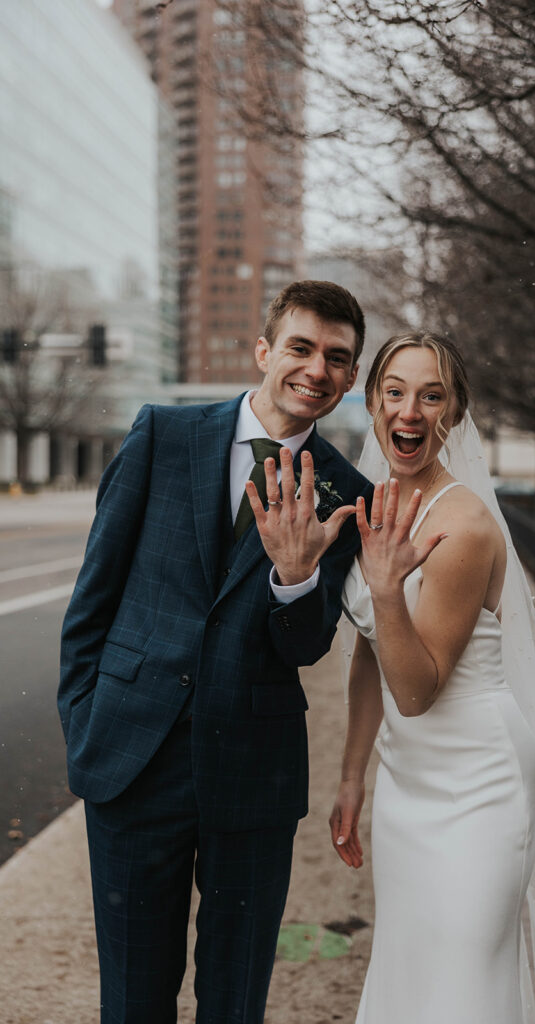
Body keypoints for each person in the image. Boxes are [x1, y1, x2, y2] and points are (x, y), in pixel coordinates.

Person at [58, 280, 373, 1024]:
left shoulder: (345, 491)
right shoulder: (163, 435)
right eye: (300, 347)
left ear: (350, 377)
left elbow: (307, 645)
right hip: (132, 758)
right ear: (265, 351)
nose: (316, 369)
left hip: (252, 775)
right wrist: (85, 725)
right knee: (133, 997)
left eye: (336, 358)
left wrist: (294, 578)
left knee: (234, 1000)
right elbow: (93, 598)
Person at [329, 331, 535, 1023]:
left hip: (480, 783)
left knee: (465, 987)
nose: (410, 411)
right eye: (395, 392)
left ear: (456, 412)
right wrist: (352, 778)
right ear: (373, 404)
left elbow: (415, 688)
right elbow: (371, 656)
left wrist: (381, 591)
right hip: (408, 789)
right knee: (411, 971)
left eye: (431, 395)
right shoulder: (375, 504)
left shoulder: (461, 527)